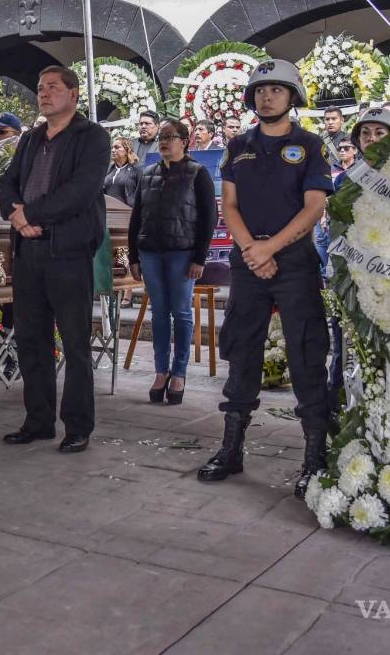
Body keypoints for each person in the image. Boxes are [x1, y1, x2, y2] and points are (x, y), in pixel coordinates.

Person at [197, 59, 333, 500]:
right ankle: (231, 449)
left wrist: (269, 249)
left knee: (306, 354)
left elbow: (314, 207)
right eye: (259, 90)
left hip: (293, 262)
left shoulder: (310, 145)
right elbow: (229, 206)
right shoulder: (237, 145)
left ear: (293, 97)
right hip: (249, 263)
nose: (266, 96)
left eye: (276, 89)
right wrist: (252, 252)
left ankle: (315, 460)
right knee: (241, 350)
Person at [0, 65, 109, 453]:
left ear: (74, 94)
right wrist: (15, 214)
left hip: (69, 252)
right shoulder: (29, 140)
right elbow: (7, 183)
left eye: (53, 87)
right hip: (28, 251)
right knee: (31, 340)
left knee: (75, 344)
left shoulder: (93, 137)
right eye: (41, 88)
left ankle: (77, 426)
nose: (44, 94)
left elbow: (81, 191)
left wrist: (31, 214)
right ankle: (39, 420)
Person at [128, 119, 217, 405]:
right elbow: (136, 216)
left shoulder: (197, 173)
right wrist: (133, 255)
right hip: (151, 251)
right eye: (162, 137)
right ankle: (160, 371)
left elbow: (208, 219)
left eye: (170, 136)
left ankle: (179, 373)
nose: (164, 141)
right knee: (159, 313)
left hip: (183, 252)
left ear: (184, 141)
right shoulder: (148, 173)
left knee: (181, 312)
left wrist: (199, 257)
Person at [104, 136, 140, 206]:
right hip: (108, 210)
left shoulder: (136, 170)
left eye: (117, 147)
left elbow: (141, 195)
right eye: (112, 148)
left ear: (127, 150)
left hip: (127, 211)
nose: (113, 150)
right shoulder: (108, 169)